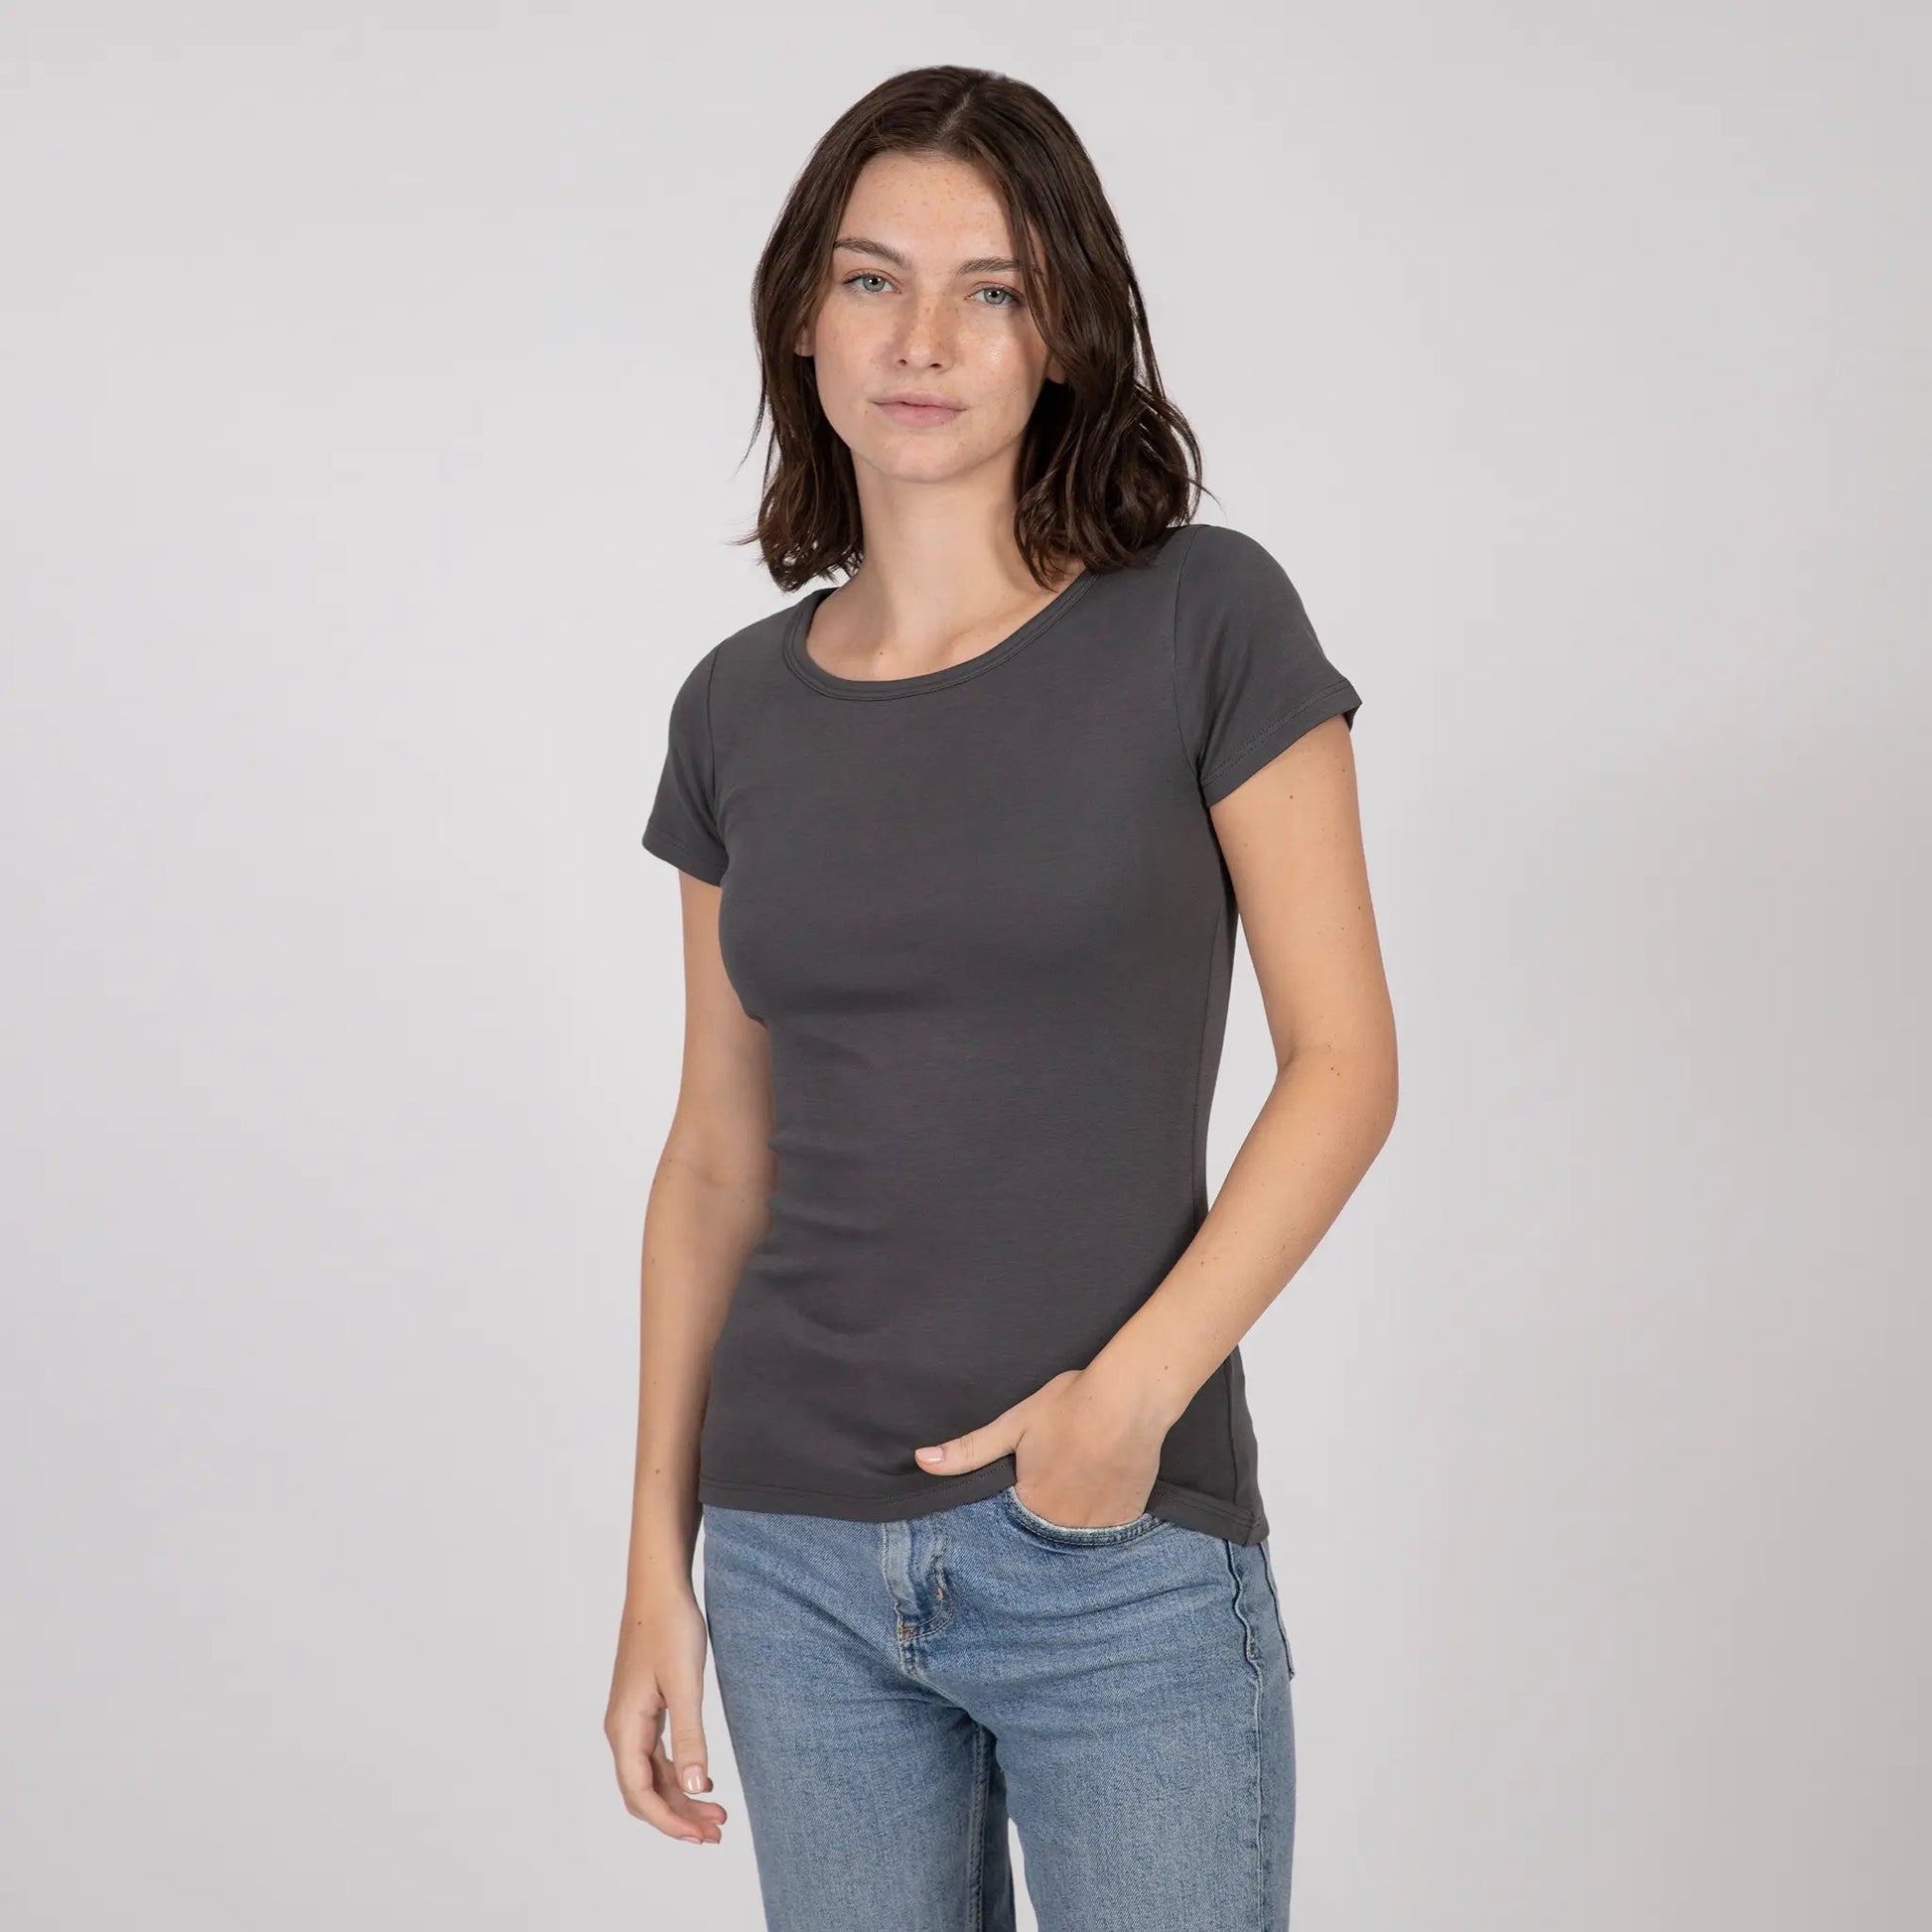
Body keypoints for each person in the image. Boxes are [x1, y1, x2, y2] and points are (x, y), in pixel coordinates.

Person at [606, 63, 1398, 1931]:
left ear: (1064, 334)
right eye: (873, 279)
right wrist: (657, 1558)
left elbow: (1342, 1062)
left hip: (1110, 1547)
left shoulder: (1204, 619)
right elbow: (715, 1157)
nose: (923, 339)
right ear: (804, 315)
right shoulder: (734, 707)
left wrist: (1124, 1406)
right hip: (792, 1558)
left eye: (993, 289)